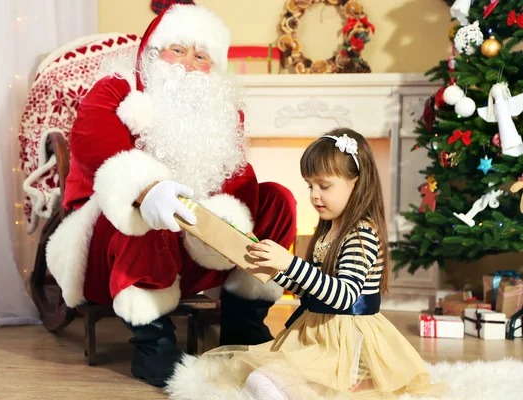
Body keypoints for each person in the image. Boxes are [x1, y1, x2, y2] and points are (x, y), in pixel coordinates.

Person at [45, 4, 297, 388]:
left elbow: (239, 181)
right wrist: (148, 189)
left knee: (277, 199)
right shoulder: (114, 88)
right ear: (152, 51)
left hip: (194, 249)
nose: (187, 64)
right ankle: (153, 345)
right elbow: (94, 146)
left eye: (200, 56)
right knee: (151, 213)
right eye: (177, 50)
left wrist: (220, 225)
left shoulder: (223, 111)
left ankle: (243, 321)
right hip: (115, 252)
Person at [166, 128, 444, 399]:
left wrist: (289, 262)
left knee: (260, 380)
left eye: (324, 186)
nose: (314, 194)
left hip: (345, 339)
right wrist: (269, 264)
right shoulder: (327, 230)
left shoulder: (361, 234)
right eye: (310, 185)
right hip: (317, 332)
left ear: (356, 183)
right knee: (256, 375)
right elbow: (309, 290)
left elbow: (343, 296)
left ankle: (345, 383)